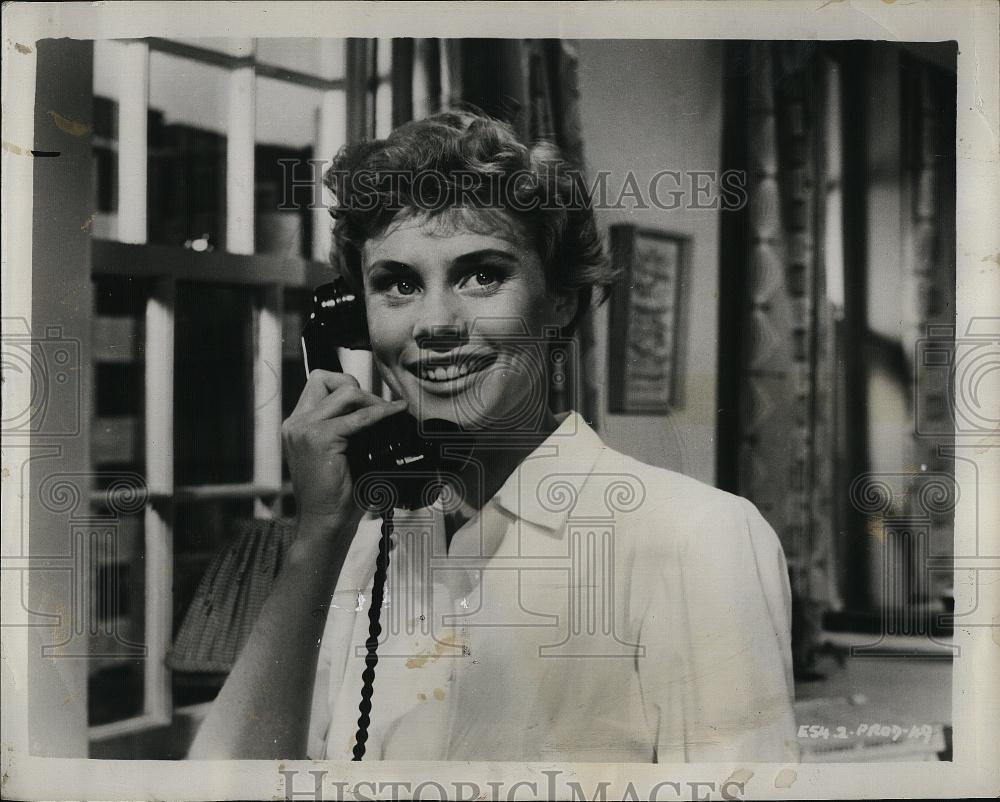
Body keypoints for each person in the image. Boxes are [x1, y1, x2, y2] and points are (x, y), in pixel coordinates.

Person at [188, 110, 797, 762]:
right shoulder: (366, 548)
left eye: (481, 275)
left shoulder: (696, 540)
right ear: (357, 321)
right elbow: (221, 786)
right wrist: (318, 537)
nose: (437, 323)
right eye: (397, 284)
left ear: (560, 298)